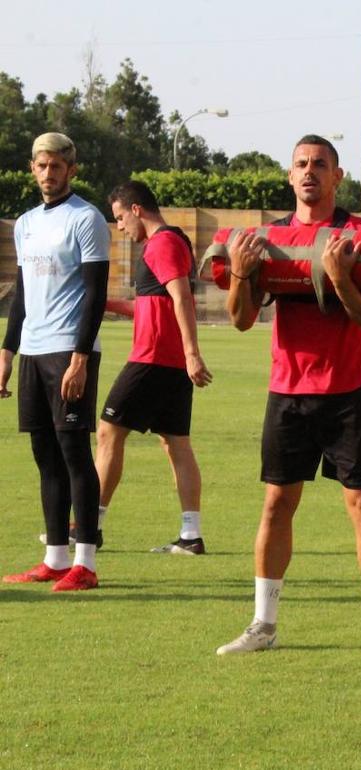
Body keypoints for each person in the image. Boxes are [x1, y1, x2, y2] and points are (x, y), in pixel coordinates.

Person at [215, 135, 361, 663]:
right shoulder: (268, 237)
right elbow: (241, 320)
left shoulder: (358, 235)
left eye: (320, 164)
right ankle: (263, 623)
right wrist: (244, 274)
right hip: (288, 391)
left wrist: (340, 280)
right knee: (276, 504)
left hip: (347, 392)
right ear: (289, 176)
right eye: (301, 164)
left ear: (338, 176)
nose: (309, 171)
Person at [1, 132, 110, 591]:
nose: (49, 174)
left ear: (72, 170)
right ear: (32, 168)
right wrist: (7, 353)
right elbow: (23, 293)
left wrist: (80, 358)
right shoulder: (25, 224)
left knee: (73, 452)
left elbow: (96, 294)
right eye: (41, 166)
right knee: (44, 455)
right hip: (34, 348)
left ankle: (85, 562)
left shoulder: (87, 219)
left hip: (69, 350)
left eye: (57, 166)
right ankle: (55, 559)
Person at [92, 180, 212, 555]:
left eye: (120, 217)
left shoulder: (162, 244)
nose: (121, 227)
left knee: (109, 432)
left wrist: (193, 353)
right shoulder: (166, 245)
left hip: (154, 359)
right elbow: (152, 306)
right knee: (175, 444)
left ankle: (88, 527)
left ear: (137, 209)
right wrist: (104, 304)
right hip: (168, 362)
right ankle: (191, 536)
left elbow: (181, 299)